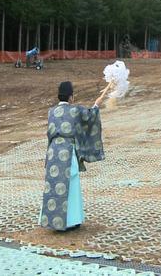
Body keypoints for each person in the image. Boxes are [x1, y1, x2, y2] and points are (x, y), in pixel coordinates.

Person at [39, 81, 111, 231]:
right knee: (70, 184)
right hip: (67, 150)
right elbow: (91, 115)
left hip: (53, 151)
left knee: (53, 184)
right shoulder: (75, 110)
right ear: (71, 97)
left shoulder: (51, 112)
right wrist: (97, 104)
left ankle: (51, 220)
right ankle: (71, 221)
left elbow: (49, 134)